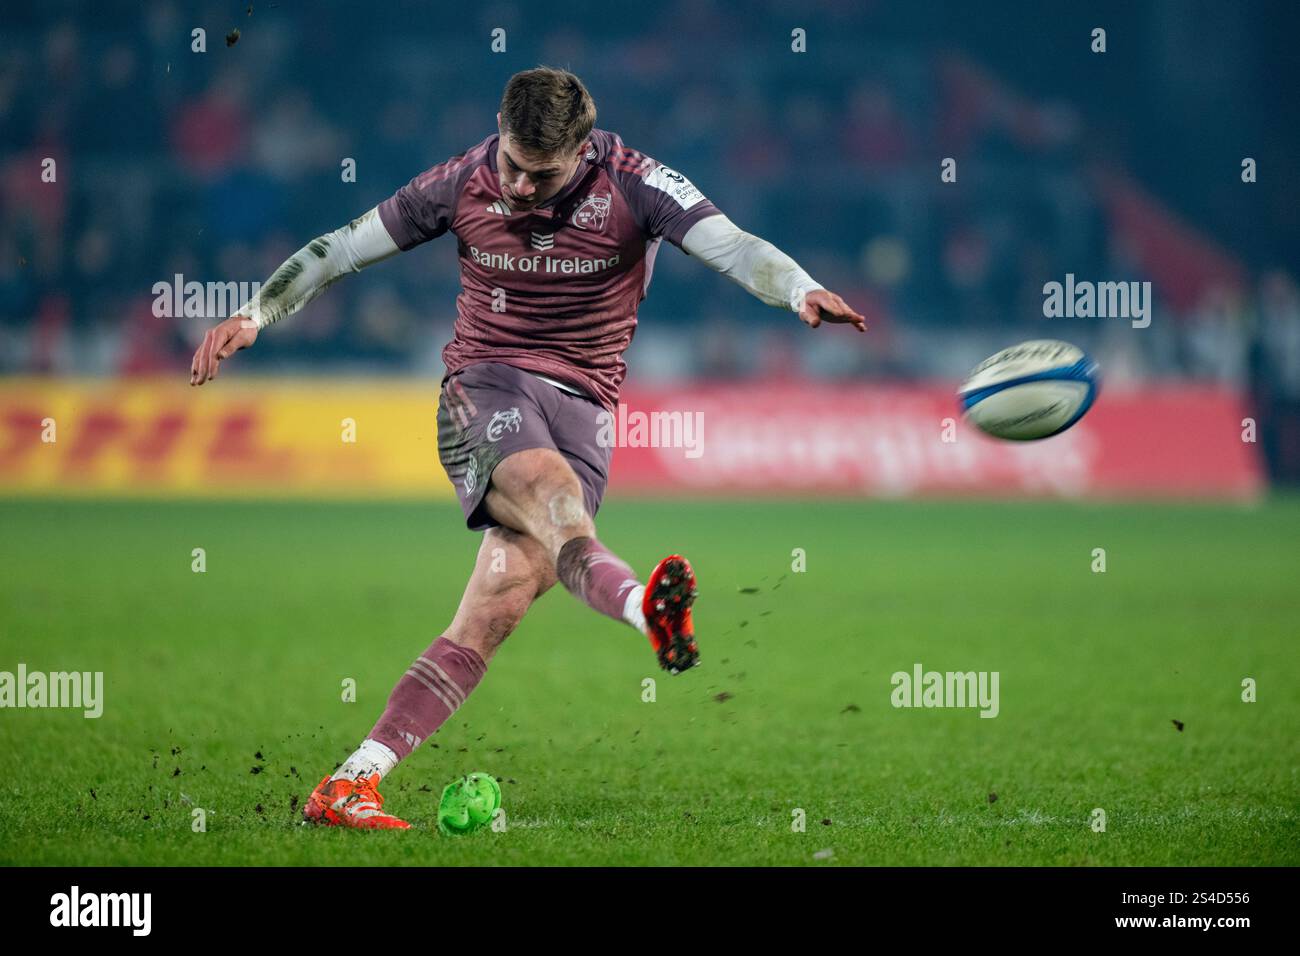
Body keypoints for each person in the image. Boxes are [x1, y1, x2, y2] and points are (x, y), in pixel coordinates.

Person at [190, 67, 865, 829]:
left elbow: (734, 247)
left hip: (583, 413)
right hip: (488, 389)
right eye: (510, 161)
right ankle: (649, 612)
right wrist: (254, 313)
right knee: (559, 510)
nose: (515, 184)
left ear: (582, 151)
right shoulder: (461, 181)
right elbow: (339, 248)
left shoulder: (637, 184)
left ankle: (350, 783)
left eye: (538, 173)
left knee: (496, 606)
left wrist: (799, 288)